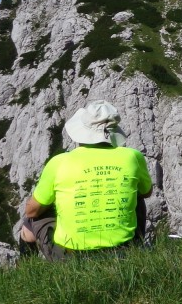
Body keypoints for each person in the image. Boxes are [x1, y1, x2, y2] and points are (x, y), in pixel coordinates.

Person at [19, 100, 152, 260]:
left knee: (35, 214)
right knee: (137, 196)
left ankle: (27, 267)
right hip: (121, 253)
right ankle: (135, 247)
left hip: (72, 258)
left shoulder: (59, 162)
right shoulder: (132, 156)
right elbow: (147, 192)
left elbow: (31, 211)